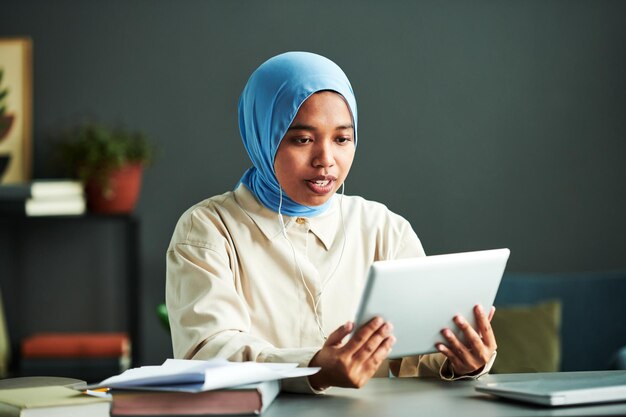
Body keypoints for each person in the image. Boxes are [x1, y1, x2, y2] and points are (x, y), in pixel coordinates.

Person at [166, 51, 497, 393]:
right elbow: (207, 351)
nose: (325, 160)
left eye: (341, 139)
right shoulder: (208, 229)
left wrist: (459, 358)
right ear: (262, 136)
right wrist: (314, 368)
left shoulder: (384, 229)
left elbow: (415, 353)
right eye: (302, 139)